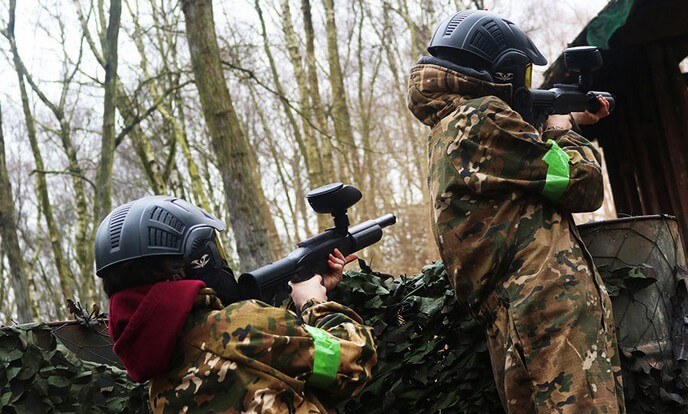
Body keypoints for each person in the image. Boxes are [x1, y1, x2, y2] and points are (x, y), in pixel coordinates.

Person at [407, 10, 625, 413]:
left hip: (519, 322)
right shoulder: (481, 120)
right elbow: (583, 183)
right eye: (521, 75)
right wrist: (562, 129)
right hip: (547, 314)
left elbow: (523, 176)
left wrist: (564, 117)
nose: (523, 87)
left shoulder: (452, 127)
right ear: (500, 71)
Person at [95, 195, 377, 413]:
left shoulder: (157, 381)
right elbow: (354, 362)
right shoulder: (242, 326)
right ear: (194, 262)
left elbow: (255, 367)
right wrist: (315, 303)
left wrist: (296, 303)